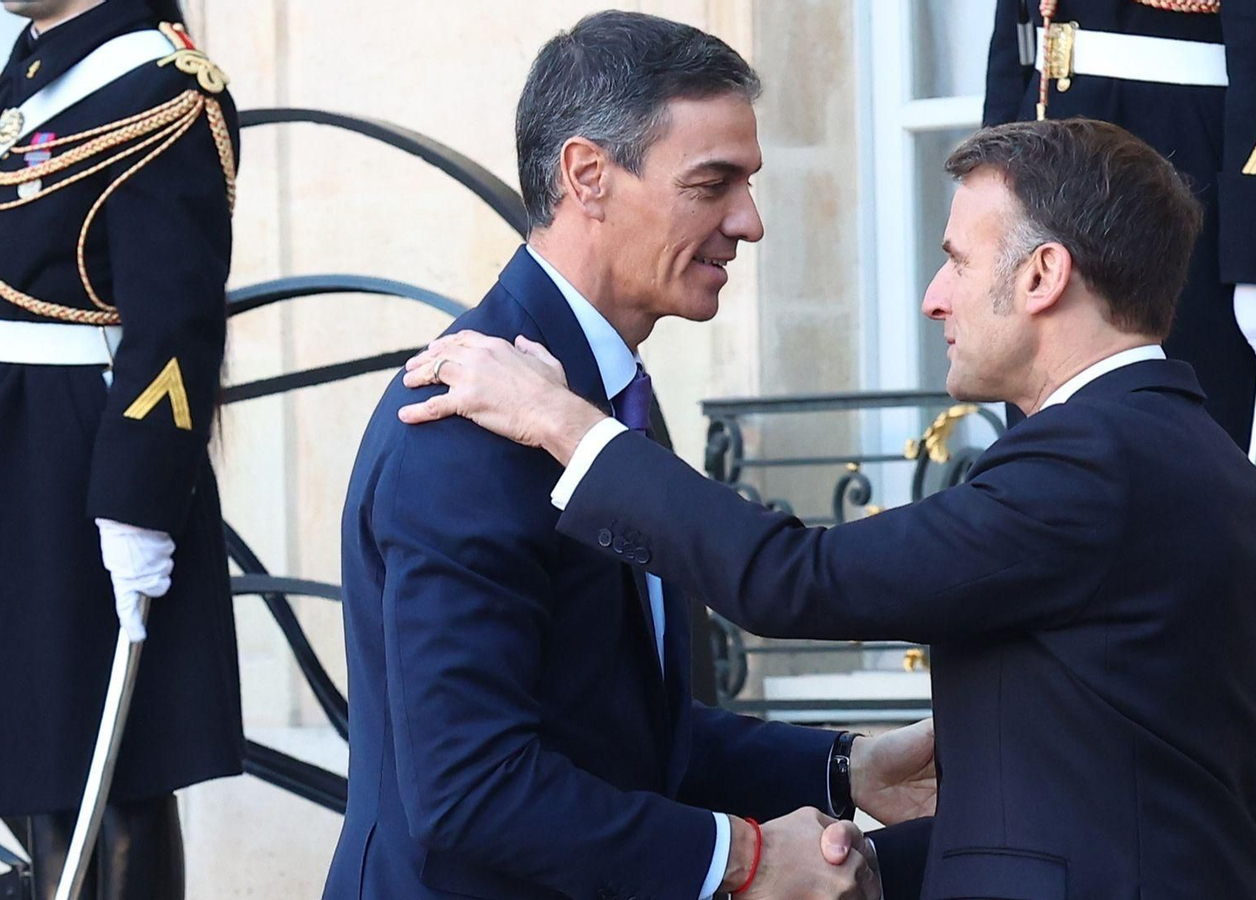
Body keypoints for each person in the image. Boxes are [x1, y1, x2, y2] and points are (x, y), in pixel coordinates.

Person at [401, 118, 1256, 899]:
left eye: (957, 261)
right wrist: (847, 857)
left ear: (1042, 276)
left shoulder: (1096, 461)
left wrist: (565, 424)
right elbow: (1081, 812)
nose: (934, 297)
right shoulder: (1183, 453)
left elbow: (800, 580)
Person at [326, 12, 933, 899]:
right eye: (712, 184)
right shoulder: (464, 420)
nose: (749, 222)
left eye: (748, 183)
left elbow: (619, 730)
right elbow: (472, 788)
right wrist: (745, 859)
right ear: (588, 176)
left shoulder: (587, 401)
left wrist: (847, 769)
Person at [983, 0, 1256, 670]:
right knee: (1062, 508)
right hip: (1051, 158)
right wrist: (991, 185)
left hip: (1178, 173)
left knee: (1188, 546)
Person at [0, 0, 241, 897]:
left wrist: (137, 504)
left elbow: (174, 325)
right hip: (11, 459)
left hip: (81, 468)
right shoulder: (31, 72)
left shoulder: (160, 87)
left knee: (110, 774)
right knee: (35, 761)